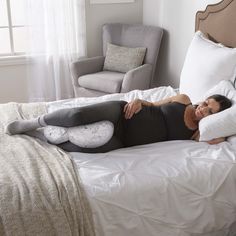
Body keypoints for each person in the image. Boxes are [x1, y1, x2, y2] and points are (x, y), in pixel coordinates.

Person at [5, 94, 232, 153]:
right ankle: (33, 123)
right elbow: (152, 103)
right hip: (122, 113)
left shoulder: (197, 134)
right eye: (205, 103)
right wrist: (137, 101)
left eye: (210, 111)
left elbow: (218, 137)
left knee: (87, 146)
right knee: (76, 117)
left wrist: (220, 127)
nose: (203, 109)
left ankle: (44, 136)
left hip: (122, 141)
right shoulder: (183, 100)